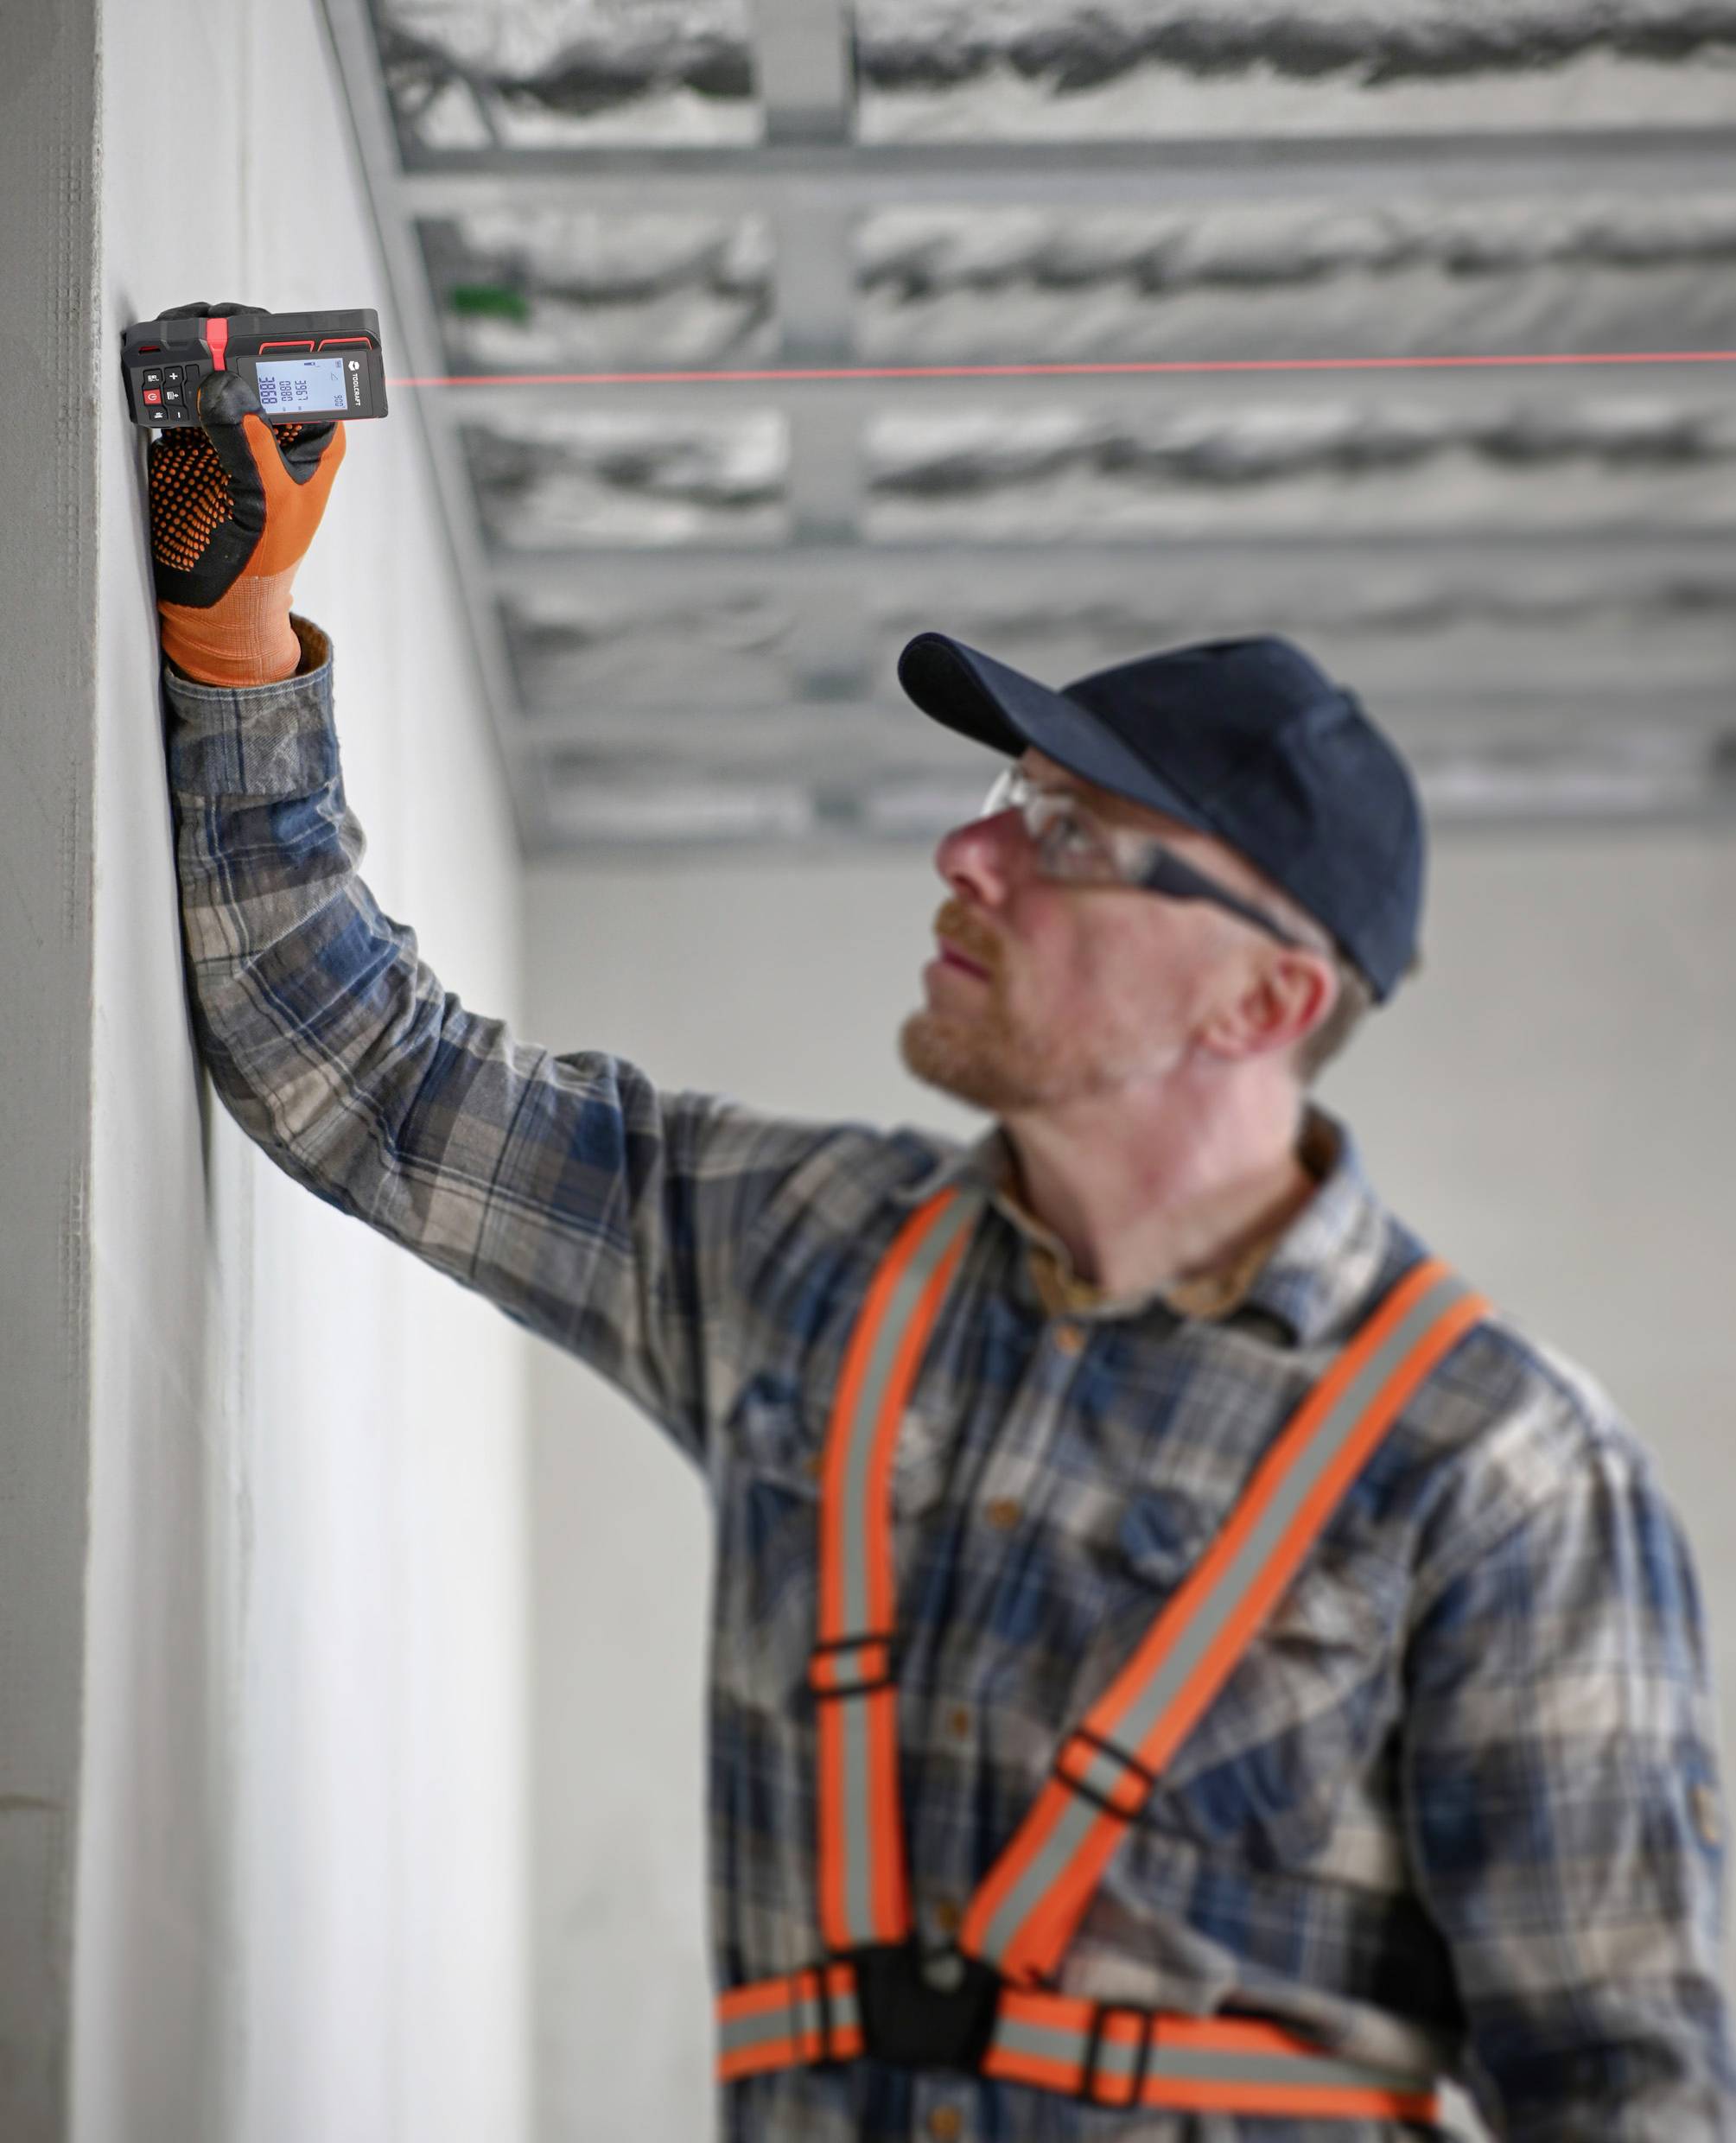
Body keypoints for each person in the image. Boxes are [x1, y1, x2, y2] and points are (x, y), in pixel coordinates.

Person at [149, 334, 1733, 2141]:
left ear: (1262, 1001)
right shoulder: (812, 1256)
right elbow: (371, 1078)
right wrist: (237, 629)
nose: (966, 860)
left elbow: (1628, 2100)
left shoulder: (1500, 1471)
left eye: (1061, 832)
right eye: (1002, 807)